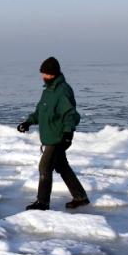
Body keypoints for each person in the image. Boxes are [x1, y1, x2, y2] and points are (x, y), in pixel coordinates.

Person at [17, 57, 89, 210]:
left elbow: (70, 114)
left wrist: (68, 134)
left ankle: (42, 202)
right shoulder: (48, 92)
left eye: (47, 74)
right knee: (63, 167)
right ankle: (80, 197)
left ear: (54, 74)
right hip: (49, 136)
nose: (44, 77)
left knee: (45, 168)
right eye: (43, 74)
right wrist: (28, 122)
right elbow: (40, 112)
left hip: (58, 137)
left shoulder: (63, 91)